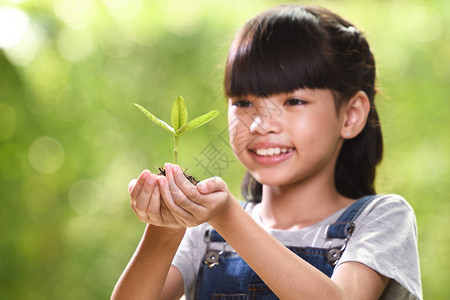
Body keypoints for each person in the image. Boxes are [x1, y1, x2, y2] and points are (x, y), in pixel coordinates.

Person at [112, 5, 422, 300]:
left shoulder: (382, 219)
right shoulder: (204, 233)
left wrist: (228, 216)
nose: (260, 125)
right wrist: (166, 227)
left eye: (293, 101)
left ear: (351, 114)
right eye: (244, 103)